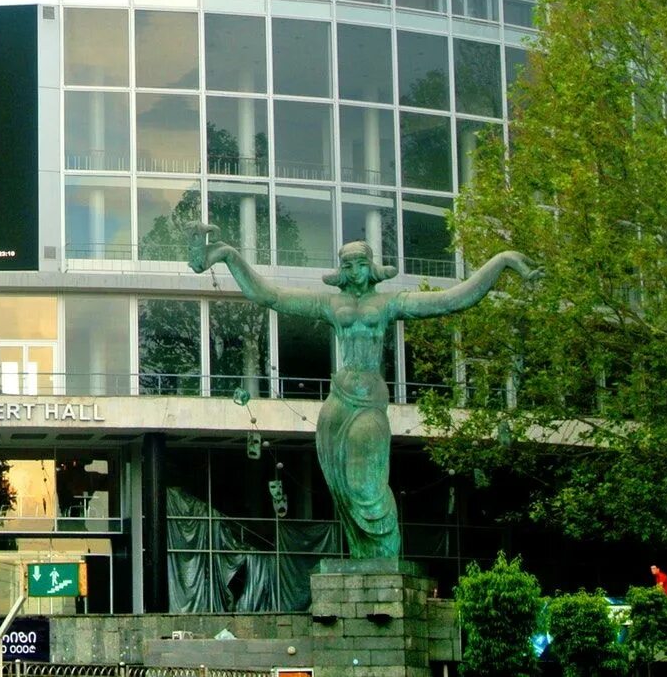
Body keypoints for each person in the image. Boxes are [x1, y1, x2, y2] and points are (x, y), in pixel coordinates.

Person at [187, 227, 537, 558]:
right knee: (340, 487)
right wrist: (230, 256)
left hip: (369, 402)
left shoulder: (388, 304)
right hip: (337, 403)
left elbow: (451, 300)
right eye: (347, 266)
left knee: (365, 484)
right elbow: (271, 296)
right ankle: (362, 556)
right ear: (341, 271)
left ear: (371, 269)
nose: (354, 273)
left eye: (360, 265)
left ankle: (385, 555)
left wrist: (501, 262)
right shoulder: (329, 304)